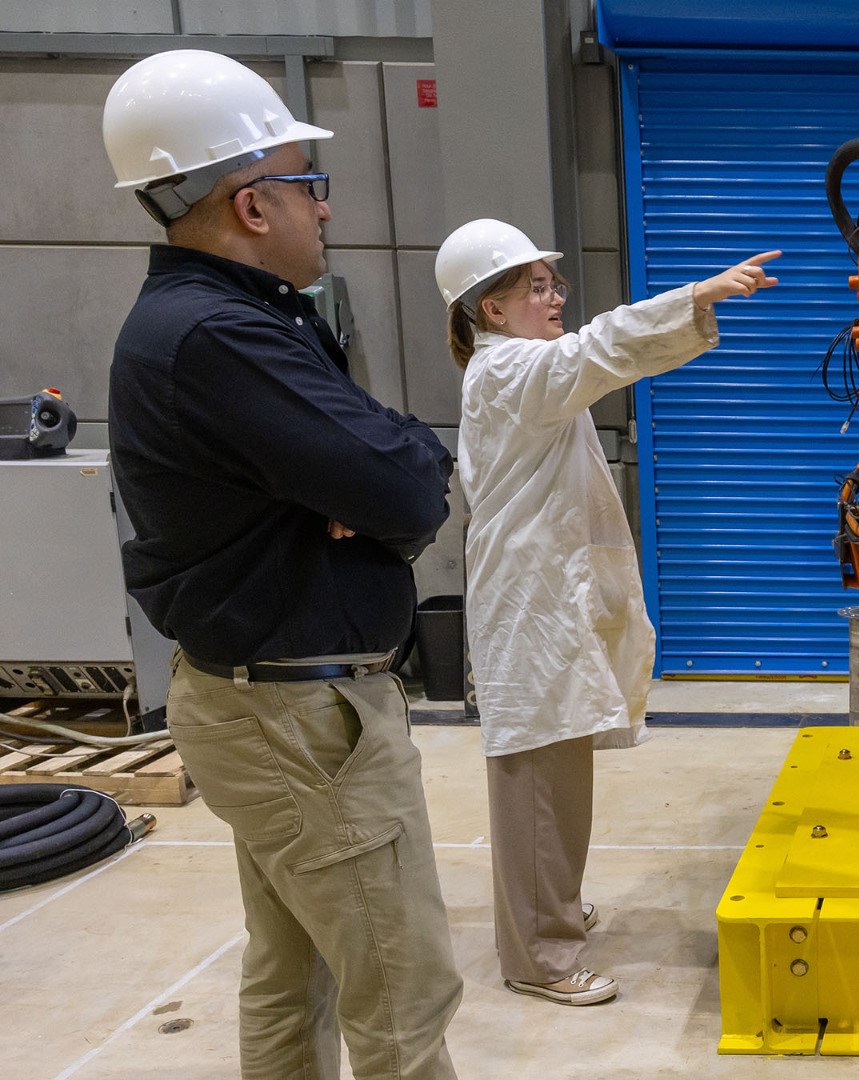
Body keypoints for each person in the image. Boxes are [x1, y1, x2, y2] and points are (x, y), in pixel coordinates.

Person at [104, 51, 462, 1078]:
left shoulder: (235, 321)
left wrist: (375, 473)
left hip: (268, 705)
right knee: (402, 994)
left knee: (294, 973)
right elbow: (408, 489)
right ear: (253, 204)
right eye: (311, 183)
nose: (326, 207)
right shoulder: (218, 337)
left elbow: (393, 458)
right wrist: (374, 480)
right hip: (300, 720)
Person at [436, 218, 778, 1006]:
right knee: (536, 783)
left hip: (543, 601)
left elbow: (593, 356)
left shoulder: (520, 368)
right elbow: (602, 348)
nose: (555, 296)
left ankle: (548, 907)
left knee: (558, 775)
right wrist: (698, 296)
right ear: (491, 309)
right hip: (530, 606)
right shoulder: (511, 369)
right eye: (535, 287)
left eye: (553, 283)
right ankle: (538, 957)